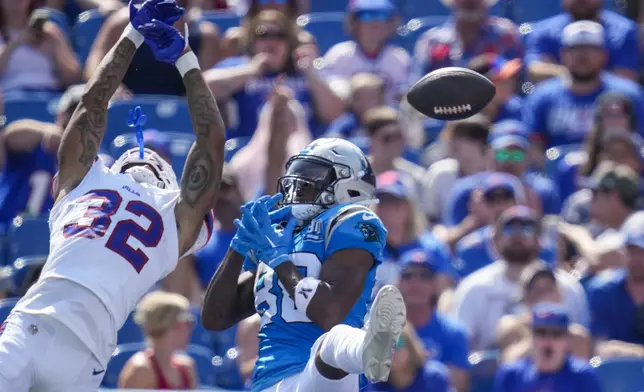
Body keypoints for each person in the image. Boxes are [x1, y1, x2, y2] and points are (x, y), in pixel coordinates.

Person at [0, 1, 225, 391]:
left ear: (170, 184)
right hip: (33, 324)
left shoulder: (176, 219)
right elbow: (92, 104)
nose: (144, 157)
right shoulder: (84, 182)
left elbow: (211, 141)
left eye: (156, 162)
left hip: (86, 356)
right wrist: (130, 36)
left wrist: (187, 60)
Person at [202, 138, 407, 391]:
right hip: (267, 382)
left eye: (312, 175)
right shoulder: (279, 233)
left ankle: (366, 348)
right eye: (296, 175)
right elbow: (215, 318)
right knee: (329, 346)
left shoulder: (350, 220)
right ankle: (364, 346)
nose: (298, 185)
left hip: (319, 376)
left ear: (347, 184)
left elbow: (329, 312)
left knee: (329, 344)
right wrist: (238, 246)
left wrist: (280, 260)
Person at [451, 206, 589, 351]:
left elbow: (581, 343)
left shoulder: (566, 286)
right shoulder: (474, 287)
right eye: (509, 229)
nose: (517, 235)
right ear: (495, 241)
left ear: (539, 240)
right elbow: (461, 347)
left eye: (526, 229)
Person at [523, 20, 644, 150]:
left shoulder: (629, 95)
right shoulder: (542, 97)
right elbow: (533, 148)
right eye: (574, 48)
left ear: (604, 55)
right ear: (562, 54)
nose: (582, 55)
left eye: (590, 48)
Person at [85, 0, 220, 96]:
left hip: (180, 121)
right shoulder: (121, 24)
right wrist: (112, 89)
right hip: (124, 111)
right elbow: (93, 67)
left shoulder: (206, 36)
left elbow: (206, 89)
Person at [0, 84, 81, 233]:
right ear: (60, 114)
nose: (80, 118)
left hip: (62, 238)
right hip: (11, 232)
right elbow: (10, 137)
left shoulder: (102, 163)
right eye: (74, 110)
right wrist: (44, 130)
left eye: (89, 114)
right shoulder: (38, 144)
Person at [396, 251, 469, 392]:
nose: (415, 282)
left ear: (436, 284)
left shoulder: (453, 332)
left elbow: (458, 385)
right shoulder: (382, 330)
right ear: (398, 282)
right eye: (408, 275)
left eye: (425, 276)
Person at [494, 303, 604, 392]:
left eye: (556, 333)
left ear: (567, 340)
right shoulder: (510, 375)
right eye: (541, 333)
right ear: (531, 338)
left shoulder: (582, 376)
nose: (548, 340)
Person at [496, 265, 592, 363]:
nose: (545, 295)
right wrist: (543, 333)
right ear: (525, 297)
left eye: (549, 288)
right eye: (537, 290)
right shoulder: (512, 326)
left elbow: (580, 371)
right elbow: (509, 362)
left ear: (560, 295)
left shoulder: (575, 335)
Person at [526, 0, 640, 82]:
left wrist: (558, 71)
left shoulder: (625, 30)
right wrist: (592, 74)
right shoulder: (544, 30)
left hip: (608, 107)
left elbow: (625, 78)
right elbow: (535, 71)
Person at [322, 0, 409, 105]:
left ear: (391, 24)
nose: (374, 22)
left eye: (382, 16)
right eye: (366, 16)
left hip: (389, 118)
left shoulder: (400, 58)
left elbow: (404, 99)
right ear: (354, 23)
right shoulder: (339, 55)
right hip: (351, 118)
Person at [118, 291, 198, 389]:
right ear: (166, 325)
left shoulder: (187, 367)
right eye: (185, 323)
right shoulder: (140, 370)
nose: (189, 329)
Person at [0, 1, 80, 92]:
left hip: (51, 97)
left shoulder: (50, 32)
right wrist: (14, 44)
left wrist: (56, 51)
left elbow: (73, 78)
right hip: (9, 97)